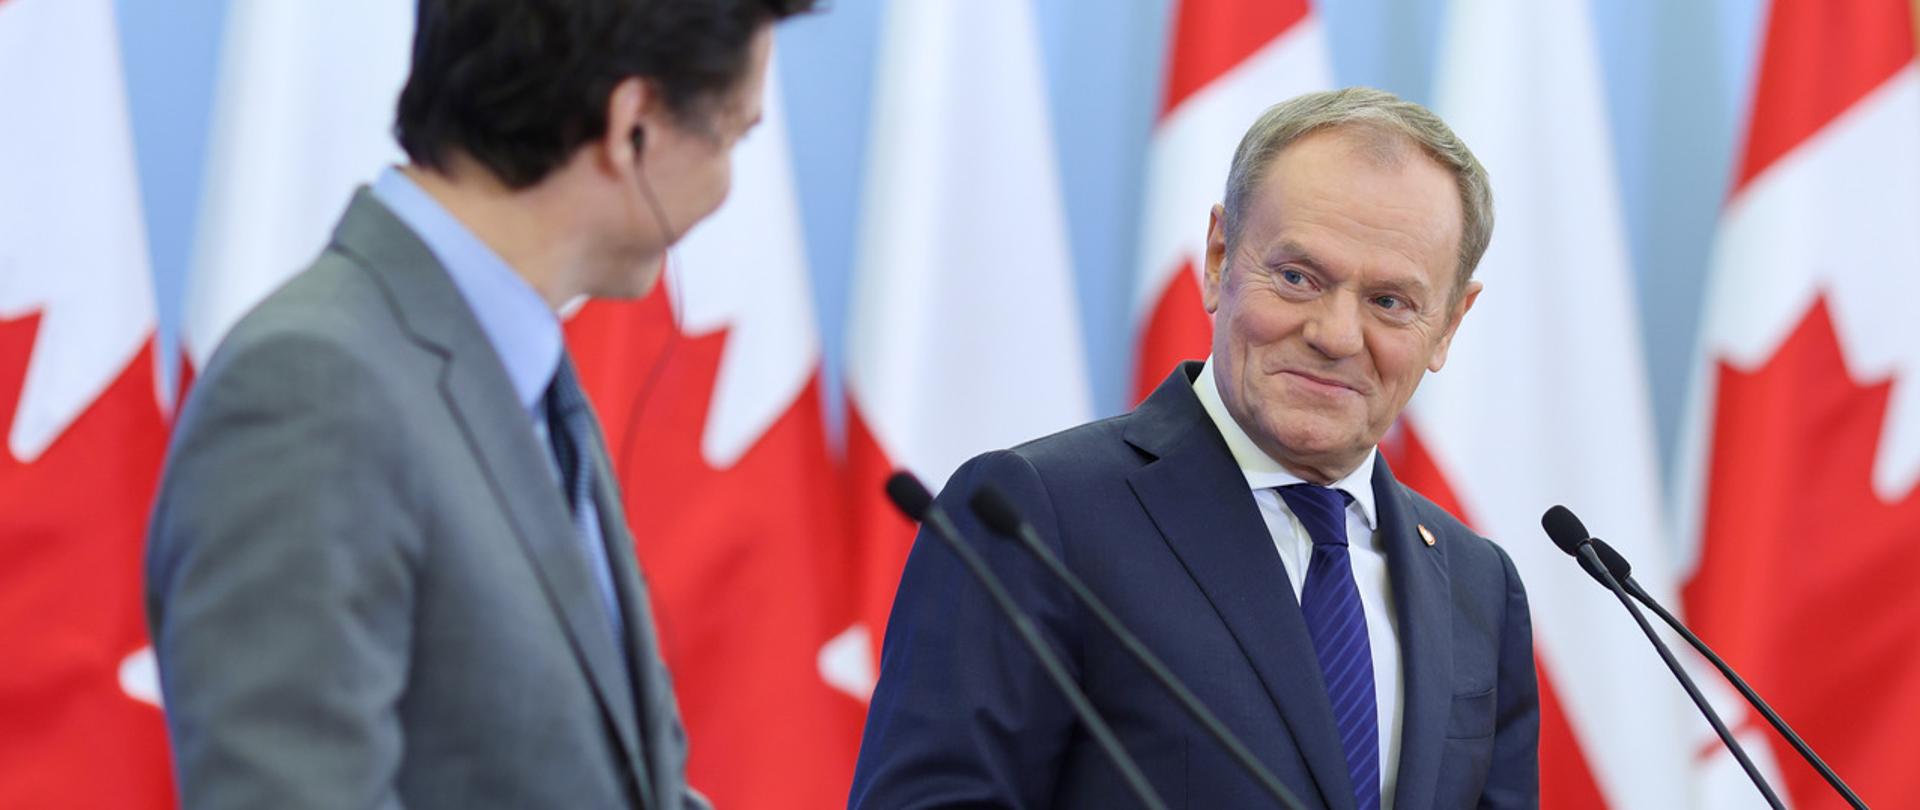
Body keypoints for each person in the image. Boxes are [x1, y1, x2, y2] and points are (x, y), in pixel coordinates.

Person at [145, 1, 814, 807]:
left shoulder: (521, 378)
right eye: (735, 136)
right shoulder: (311, 389)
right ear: (632, 125)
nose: (728, 185)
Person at [850, 87, 1537, 809]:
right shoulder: (1040, 517)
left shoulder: (1477, 583)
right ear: (1218, 259)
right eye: (1299, 278)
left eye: (1390, 302)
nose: (1336, 335)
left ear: (1450, 325)